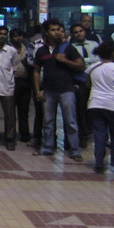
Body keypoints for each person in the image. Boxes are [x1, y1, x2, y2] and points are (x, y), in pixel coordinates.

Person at [33, 18, 84, 161]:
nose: (56, 33)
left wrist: (65, 60)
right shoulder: (41, 51)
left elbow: (81, 65)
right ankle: (48, 147)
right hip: (49, 90)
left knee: (71, 121)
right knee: (48, 121)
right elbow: (36, 71)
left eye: (58, 30)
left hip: (67, 89)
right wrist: (38, 90)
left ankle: (74, 150)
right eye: (53, 30)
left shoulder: (67, 48)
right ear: (47, 32)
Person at [86, 41, 114, 175]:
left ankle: (99, 163)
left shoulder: (92, 68)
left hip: (95, 104)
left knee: (99, 135)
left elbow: (87, 84)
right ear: (112, 53)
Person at [69, 23, 99, 145]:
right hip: (79, 80)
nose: (79, 34)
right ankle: (83, 134)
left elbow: (98, 60)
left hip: (95, 80)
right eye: (75, 32)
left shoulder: (94, 45)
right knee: (81, 108)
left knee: (94, 107)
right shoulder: (71, 47)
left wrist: (81, 60)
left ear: (84, 32)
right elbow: (72, 63)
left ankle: (94, 131)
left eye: (80, 31)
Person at [9, 28, 34, 143]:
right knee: (10, 111)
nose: (17, 38)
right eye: (15, 36)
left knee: (24, 110)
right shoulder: (8, 49)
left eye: (19, 36)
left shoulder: (28, 48)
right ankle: (11, 134)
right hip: (12, 82)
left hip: (25, 81)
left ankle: (24, 134)